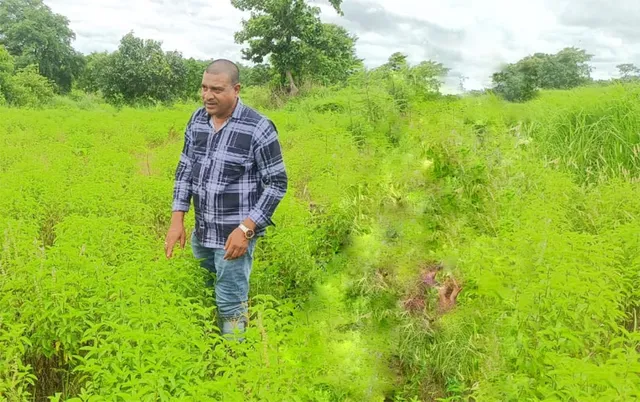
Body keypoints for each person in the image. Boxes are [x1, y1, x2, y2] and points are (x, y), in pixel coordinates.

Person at [164, 59, 288, 340]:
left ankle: (234, 365)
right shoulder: (197, 121)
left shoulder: (258, 128)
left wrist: (246, 230)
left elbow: (277, 183)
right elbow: (185, 170)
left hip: (234, 236)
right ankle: (207, 351)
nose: (208, 96)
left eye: (217, 90)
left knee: (230, 304)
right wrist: (177, 220)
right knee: (203, 293)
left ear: (236, 89)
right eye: (204, 88)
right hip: (203, 231)